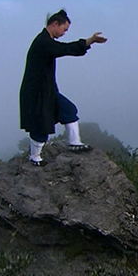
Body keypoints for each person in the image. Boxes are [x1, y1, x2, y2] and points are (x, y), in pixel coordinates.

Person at [19, 9, 107, 166]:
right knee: (40, 125)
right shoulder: (43, 42)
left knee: (68, 110)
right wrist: (89, 41)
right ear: (55, 24)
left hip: (46, 91)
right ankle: (35, 158)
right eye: (64, 29)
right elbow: (64, 49)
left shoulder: (45, 41)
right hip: (37, 93)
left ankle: (74, 142)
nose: (64, 33)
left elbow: (62, 48)